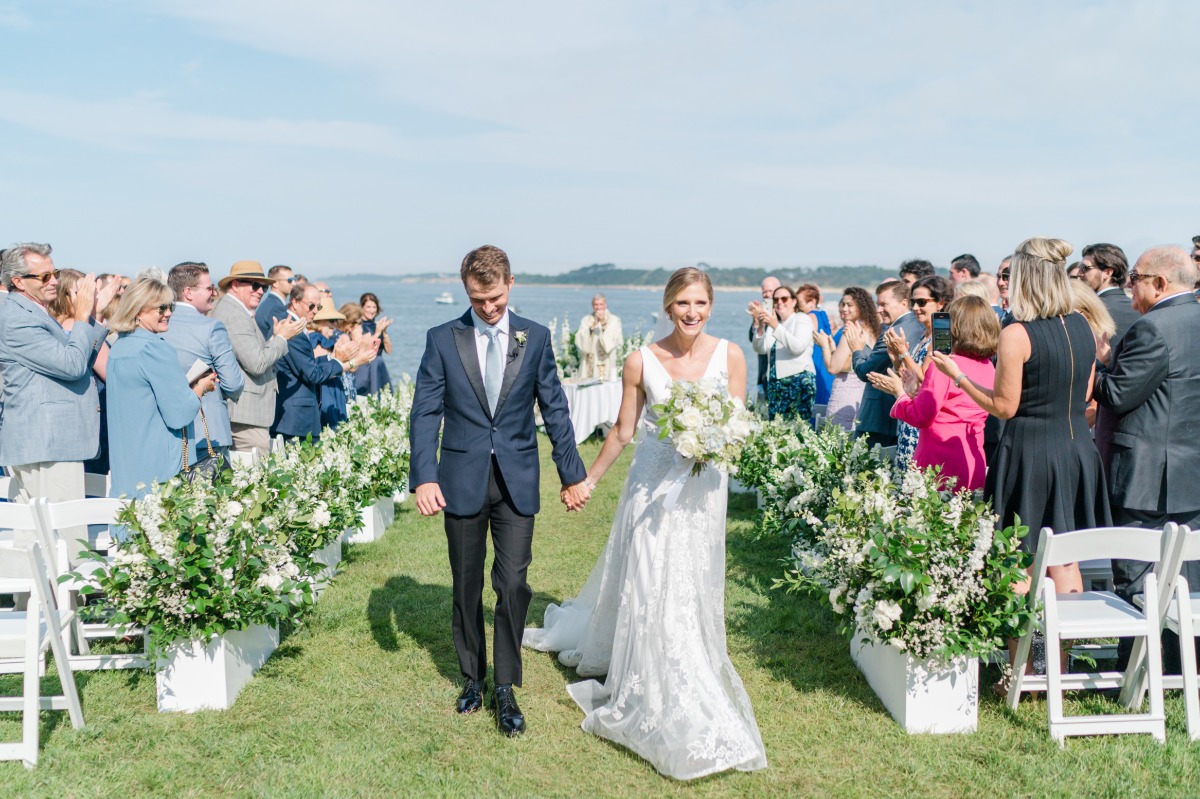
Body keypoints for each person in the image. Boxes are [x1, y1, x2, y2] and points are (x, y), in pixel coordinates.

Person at [524, 267, 767, 780]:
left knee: (690, 582)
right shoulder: (640, 361)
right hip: (650, 492)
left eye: (700, 303)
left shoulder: (732, 356)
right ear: (667, 305)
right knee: (652, 579)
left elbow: (739, 424)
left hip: (703, 491)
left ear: (711, 304)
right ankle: (650, 675)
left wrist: (713, 442)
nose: (692, 313)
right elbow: (622, 429)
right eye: (683, 303)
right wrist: (586, 480)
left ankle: (689, 660)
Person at [409, 245, 590, 737]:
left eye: (493, 298)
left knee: (512, 585)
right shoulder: (442, 339)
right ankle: (473, 677)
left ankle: (505, 686)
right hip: (459, 479)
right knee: (465, 585)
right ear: (466, 290)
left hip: (517, 480)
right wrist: (424, 476)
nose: (487, 308)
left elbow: (555, 409)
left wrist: (572, 474)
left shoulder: (535, 338)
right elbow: (425, 412)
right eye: (477, 299)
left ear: (510, 283)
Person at [932, 237, 1110, 617]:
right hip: (1076, 451)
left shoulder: (1017, 333)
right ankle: (1056, 667)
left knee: (1018, 564)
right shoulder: (1082, 325)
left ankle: (1025, 668)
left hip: (1030, 456)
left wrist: (959, 376)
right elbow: (1086, 393)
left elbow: (1003, 407)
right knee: (1064, 562)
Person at [1093, 246, 1200, 671]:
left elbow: (1119, 394)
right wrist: (1112, 360)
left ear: (1160, 284)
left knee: (1139, 577)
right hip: (1190, 473)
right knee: (1187, 579)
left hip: (1146, 477)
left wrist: (1093, 372)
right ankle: (1181, 668)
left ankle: (1138, 669)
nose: (1128, 285)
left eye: (1134, 276)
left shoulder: (1152, 328)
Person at [0, 243, 110, 564]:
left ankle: (38, 606)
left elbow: (76, 358)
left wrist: (90, 317)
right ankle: (71, 608)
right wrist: (80, 316)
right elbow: (73, 365)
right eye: (45, 275)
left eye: (55, 273)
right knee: (66, 537)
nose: (53, 281)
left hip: (47, 441)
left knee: (38, 537)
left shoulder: (31, 311)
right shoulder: (18, 318)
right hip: (47, 442)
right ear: (18, 281)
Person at [106, 276, 218, 502]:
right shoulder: (154, 348)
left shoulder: (119, 346)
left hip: (127, 457)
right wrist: (200, 388)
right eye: (161, 308)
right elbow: (180, 414)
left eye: (171, 306)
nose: (168, 313)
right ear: (138, 311)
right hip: (158, 458)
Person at [869, 296, 998, 490]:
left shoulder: (944, 366)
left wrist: (900, 394)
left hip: (939, 460)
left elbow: (922, 416)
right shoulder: (988, 366)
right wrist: (915, 393)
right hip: (972, 455)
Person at [211, 261, 305, 459]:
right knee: (256, 479)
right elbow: (257, 363)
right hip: (246, 415)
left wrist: (274, 338)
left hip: (249, 413)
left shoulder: (236, 311)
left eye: (264, 286)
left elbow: (252, 355)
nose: (261, 291)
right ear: (235, 285)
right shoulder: (234, 315)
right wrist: (281, 338)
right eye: (254, 285)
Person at [161, 262, 245, 464]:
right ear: (188, 292)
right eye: (209, 288)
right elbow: (233, 383)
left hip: (166, 433)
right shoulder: (211, 327)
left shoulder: (158, 326)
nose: (214, 293)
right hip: (207, 434)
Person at [274, 285, 364, 442]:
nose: (315, 311)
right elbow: (312, 374)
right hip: (296, 418)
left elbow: (306, 365)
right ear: (295, 302)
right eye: (311, 306)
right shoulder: (290, 328)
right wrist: (341, 361)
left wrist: (334, 359)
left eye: (318, 306)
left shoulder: (298, 327)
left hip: (299, 416)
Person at [47, 269, 115, 476]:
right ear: (67, 295)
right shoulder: (76, 329)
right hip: (95, 421)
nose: (91, 296)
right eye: (84, 291)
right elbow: (112, 375)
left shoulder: (52, 327)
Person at [845, 280, 924, 447]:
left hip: (879, 417)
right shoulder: (918, 325)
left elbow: (866, 371)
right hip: (900, 416)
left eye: (884, 304)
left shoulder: (893, 331)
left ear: (903, 303)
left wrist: (857, 349)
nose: (879, 310)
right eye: (878, 304)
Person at [884, 275, 952, 468]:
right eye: (913, 302)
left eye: (922, 302)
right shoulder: (925, 335)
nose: (915, 308)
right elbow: (908, 376)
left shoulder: (942, 336)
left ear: (940, 303)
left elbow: (926, 379)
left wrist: (903, 352)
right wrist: (896, 357)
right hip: (911, 413)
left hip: (922, 417)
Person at [813, 287, 879, 431]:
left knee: (836, 442)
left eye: (850, 305)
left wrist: (824, 345)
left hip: (844, 395)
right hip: (862, 395)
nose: (844, 308)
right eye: (843, 304)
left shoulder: (849, 331)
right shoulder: (871, 329)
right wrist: (832, 348)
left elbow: (833, 368)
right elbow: (850, 362)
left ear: (861, 307)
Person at [752, 284, 816, 421]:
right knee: (776, 428)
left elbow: (797, 347)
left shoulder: (801, 319)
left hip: (799, 381)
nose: (779, 302)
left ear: (794, 301)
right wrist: (760, 326)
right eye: (775, 300)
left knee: (798, 428)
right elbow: (760, 349)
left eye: (784, 298)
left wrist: (775, 325)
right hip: (776, 384)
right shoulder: (774, 325)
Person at [797, 284, 833, 407]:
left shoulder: (809, 317)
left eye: (799, 302)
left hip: (815, 360)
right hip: (825, 359)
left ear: (812, 302)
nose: (797, 305)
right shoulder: (823, 314)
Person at [575, 293, 623, 381]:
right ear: (592, 306)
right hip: (590, 359)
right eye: (596, 304)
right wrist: (592, 328)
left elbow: (614, 339)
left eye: (601, 304)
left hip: (606, 359)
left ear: (605, 305)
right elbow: (580, 338)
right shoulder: (586, 320)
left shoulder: (614, 320)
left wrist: (603, 325)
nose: (598, 307)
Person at [747, 275, 781, 400]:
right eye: (764, 292)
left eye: (770, 291)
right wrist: (756, 319)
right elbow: (752, 339)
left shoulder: (784, 312)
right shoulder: (763, 310)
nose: (767, 295)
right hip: (763, 374)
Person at [356, 292, 393, 395]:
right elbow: (362, 349)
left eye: (374, 307)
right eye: (368, 307)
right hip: (365, 368)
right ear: (362, 307)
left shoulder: (378, 326)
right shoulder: (358, 327)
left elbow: (389, 351)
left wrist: (384, 331)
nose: (371, 310)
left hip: (379, 367)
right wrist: (377, 333)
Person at [255, 264, 294, 340]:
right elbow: (278, 340)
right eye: (289, 280)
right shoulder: (276, 308)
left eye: (294, 279)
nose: (294, 283)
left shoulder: (269, 303)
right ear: (275, 283)